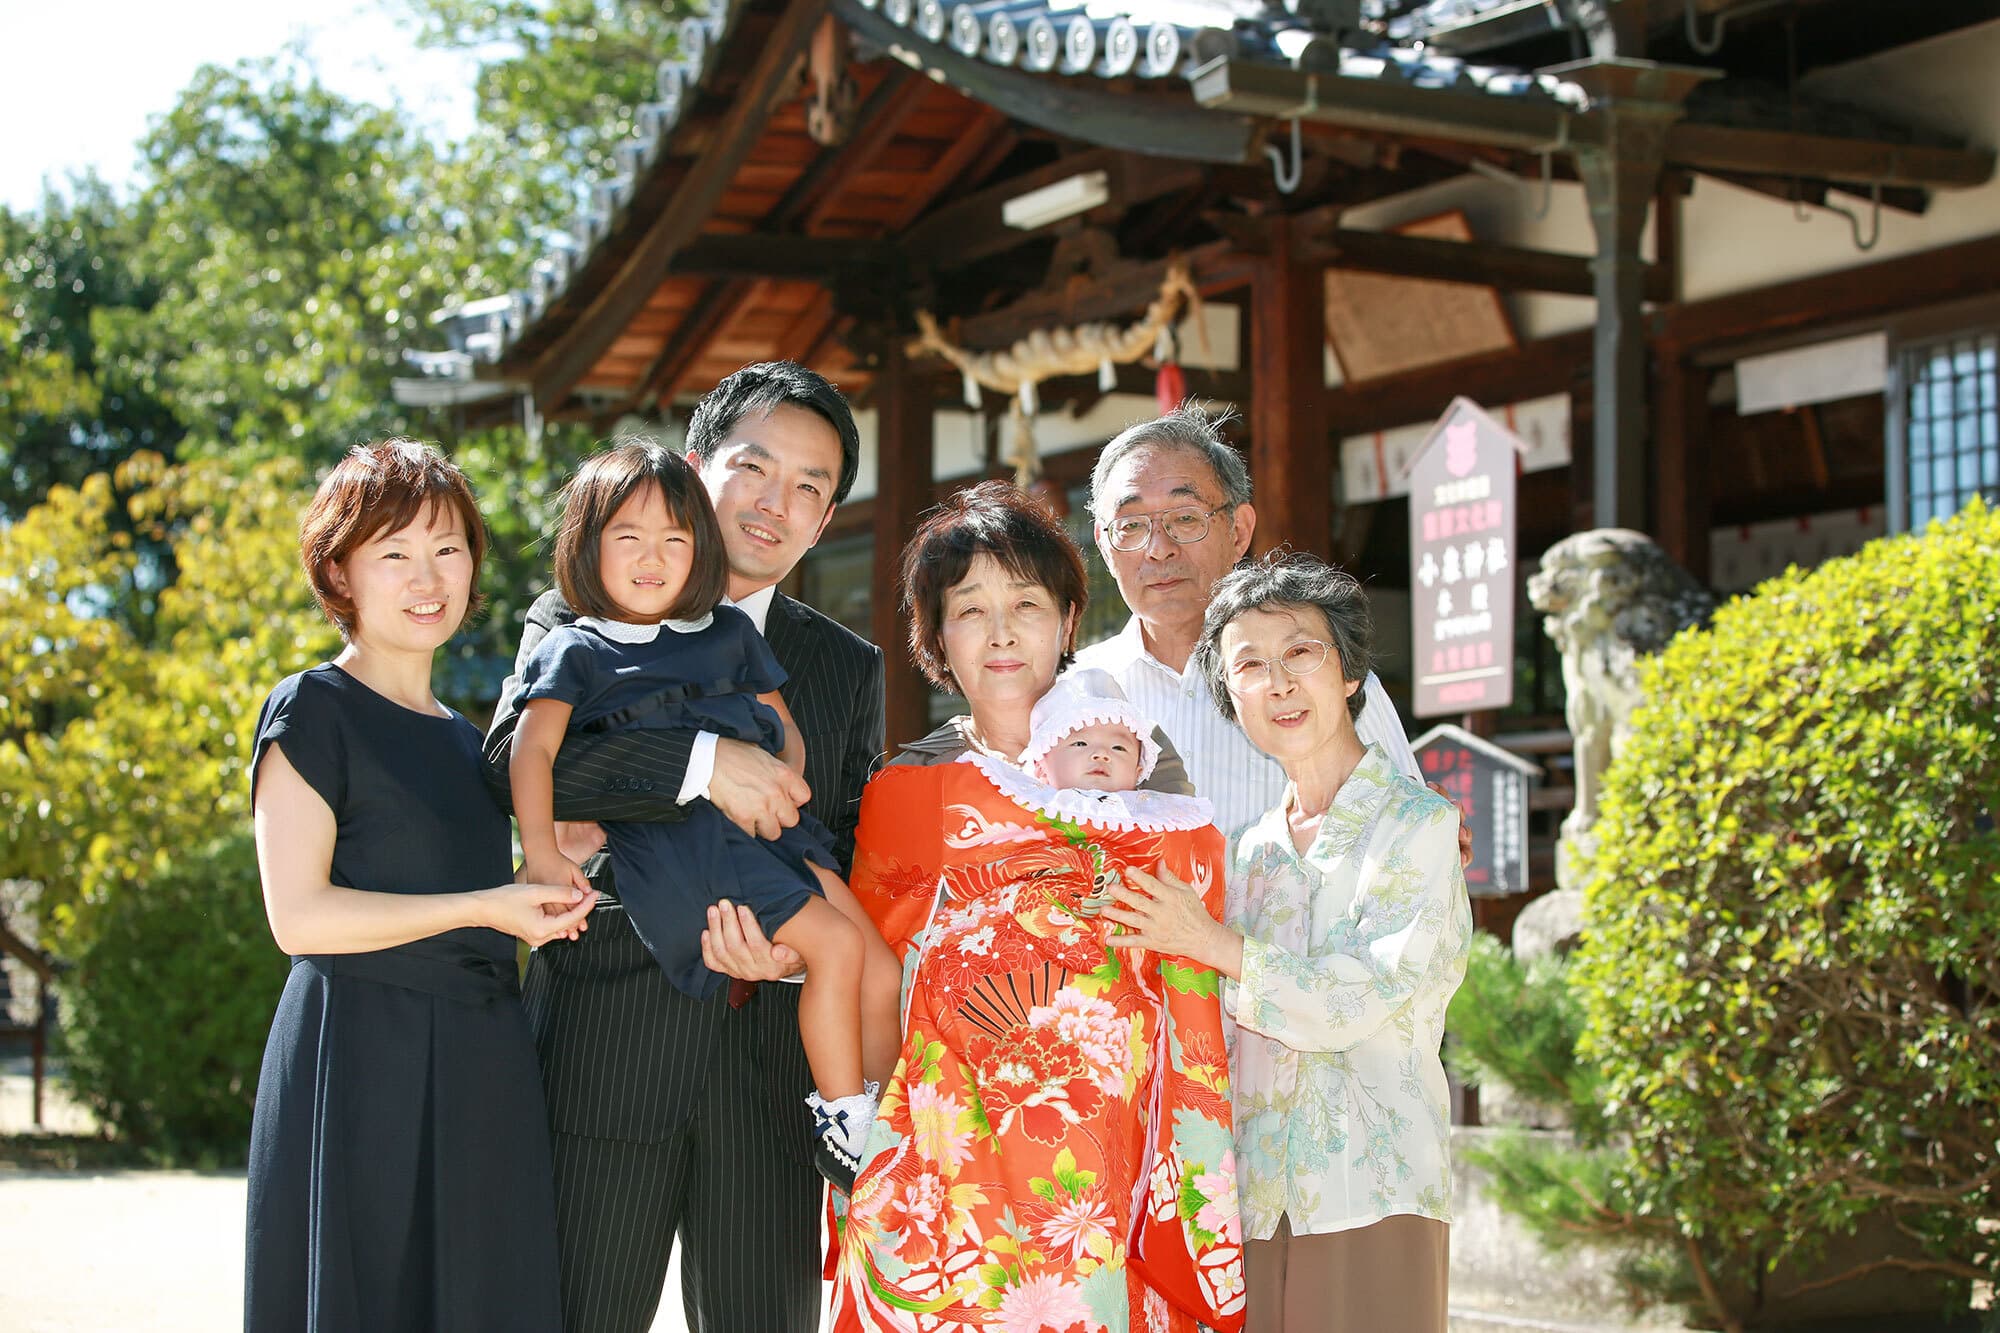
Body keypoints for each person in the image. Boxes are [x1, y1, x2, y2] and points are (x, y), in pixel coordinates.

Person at [482, 362, 884, 1333]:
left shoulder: (841, 664)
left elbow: (845, 846)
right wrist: (700, 763)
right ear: (695, 468)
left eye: (808, 488)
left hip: (769, 1073)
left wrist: (798, 954)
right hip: (607, 1044)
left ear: (825, 519)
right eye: (753, 467)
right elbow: (511, 762)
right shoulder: (582, 609)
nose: (773, 503)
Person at [830, 483, 1245, 1333]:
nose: (1003, 630)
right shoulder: (912, 787)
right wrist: (871, 1131)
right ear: (938, 637)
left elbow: (1193, 927)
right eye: (970, 609)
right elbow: (871, 968)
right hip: (956, 1152)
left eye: (1026, 602)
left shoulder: (1144, 775)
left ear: (1065, 621)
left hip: (1110, 1155)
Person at [245, 439, 595, 1333]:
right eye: (393, 552)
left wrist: (542, 880)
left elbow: (461, 896)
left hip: (481, 1061)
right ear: (340, 571)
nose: (426, 574)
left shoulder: (467, 740)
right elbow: (298, 915)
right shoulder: (311, 708)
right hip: (359, 1057)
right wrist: (486, 905)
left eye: (447, 548)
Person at [1100, 553, 1472, 1333]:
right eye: (1249, 665)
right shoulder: (1249, 853)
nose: (1277, 682)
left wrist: (1210, 942)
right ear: (1230, 698)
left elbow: (1355, 997)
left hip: (1374, 1186)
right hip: (1258, 1196)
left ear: (1348, 673)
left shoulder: (1419, 825)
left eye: (1300, 652)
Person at [1075, 407, 1420, 838]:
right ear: (1105, 547)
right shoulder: (1075, 690)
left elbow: (1409, 840)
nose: (1158, 549)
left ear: (1238, 531)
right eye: (1130, 526)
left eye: (1185, 518)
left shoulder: (1320, 675)